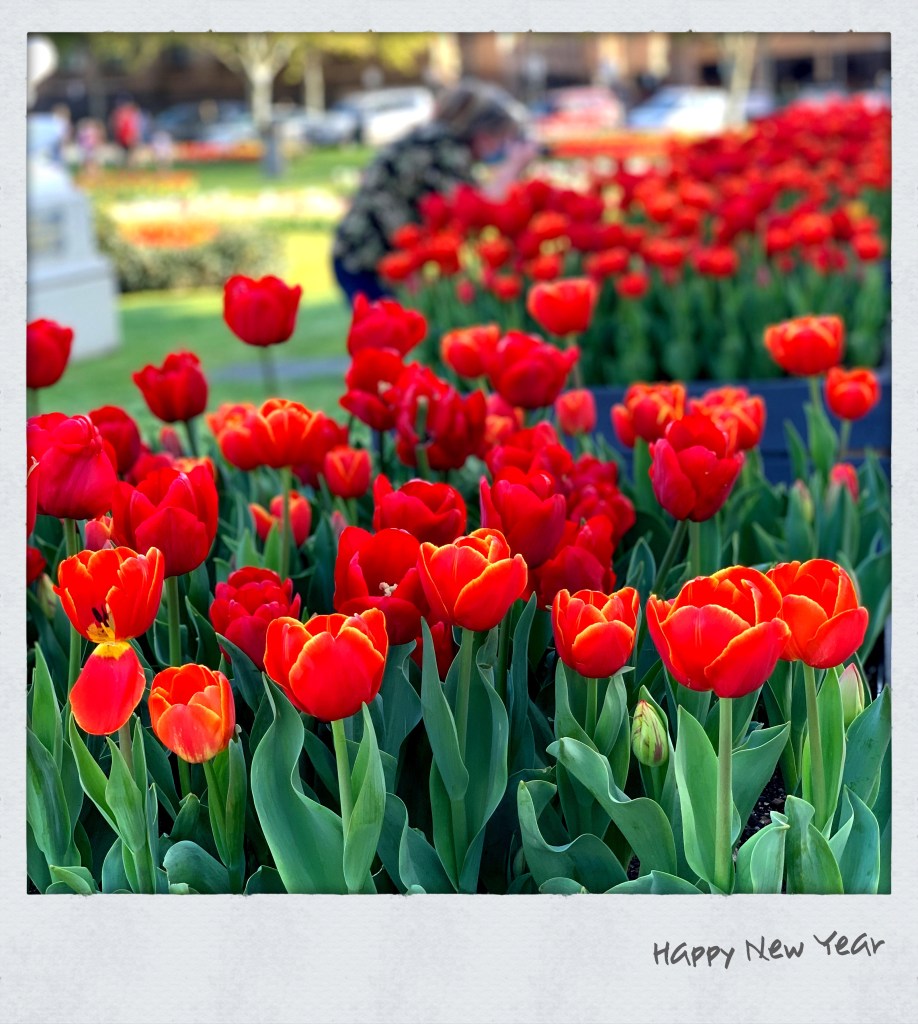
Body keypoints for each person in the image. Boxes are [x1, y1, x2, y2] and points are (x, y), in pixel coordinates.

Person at [332, 79, 540, 305]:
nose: (504, 146)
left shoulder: (431, 140)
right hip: (367, 258)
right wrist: (512, 168)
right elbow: (472, 207)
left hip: (366, 254)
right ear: (482, 133)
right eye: (501, 137)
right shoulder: (441, 147)